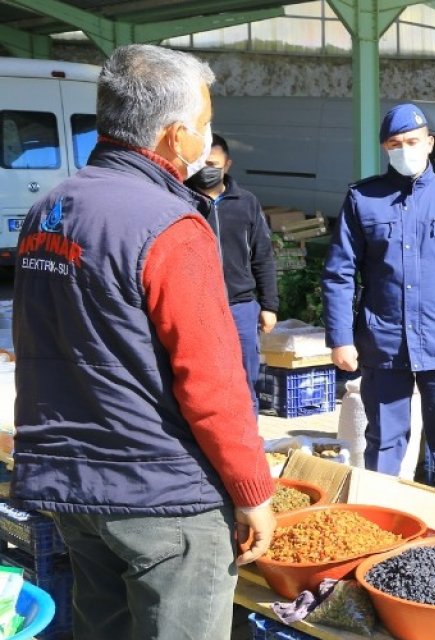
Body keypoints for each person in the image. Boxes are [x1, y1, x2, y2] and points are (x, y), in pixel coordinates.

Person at [11, 44, 276, 640]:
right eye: (204, 125)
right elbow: (211, 382)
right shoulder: (170, 225)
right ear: (175, 136)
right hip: (162, 497)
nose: (209, 139)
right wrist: (252, 489)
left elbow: (34, 341)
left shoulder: (49, 209)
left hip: (75, 486)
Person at [323, 103, 435, 500]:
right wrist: (340, 337)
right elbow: (339, 274)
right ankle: (382, 518)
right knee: (384, 438)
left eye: (413, 141)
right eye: (395, 143)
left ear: (430, 143)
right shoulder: (363, 199)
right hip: (383, 343)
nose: (405, 149)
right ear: (385, 147)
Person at [186, 133, 279, 414]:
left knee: (244, 379)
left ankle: (248, 438)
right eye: (201, 163)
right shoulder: (181, 199)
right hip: (196, 306)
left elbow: (262, 255)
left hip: (240, 306)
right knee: (201, 378)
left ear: (227, 164)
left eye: (213, 163)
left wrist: (269, 305)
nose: (207, 169)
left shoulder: (246, 202)